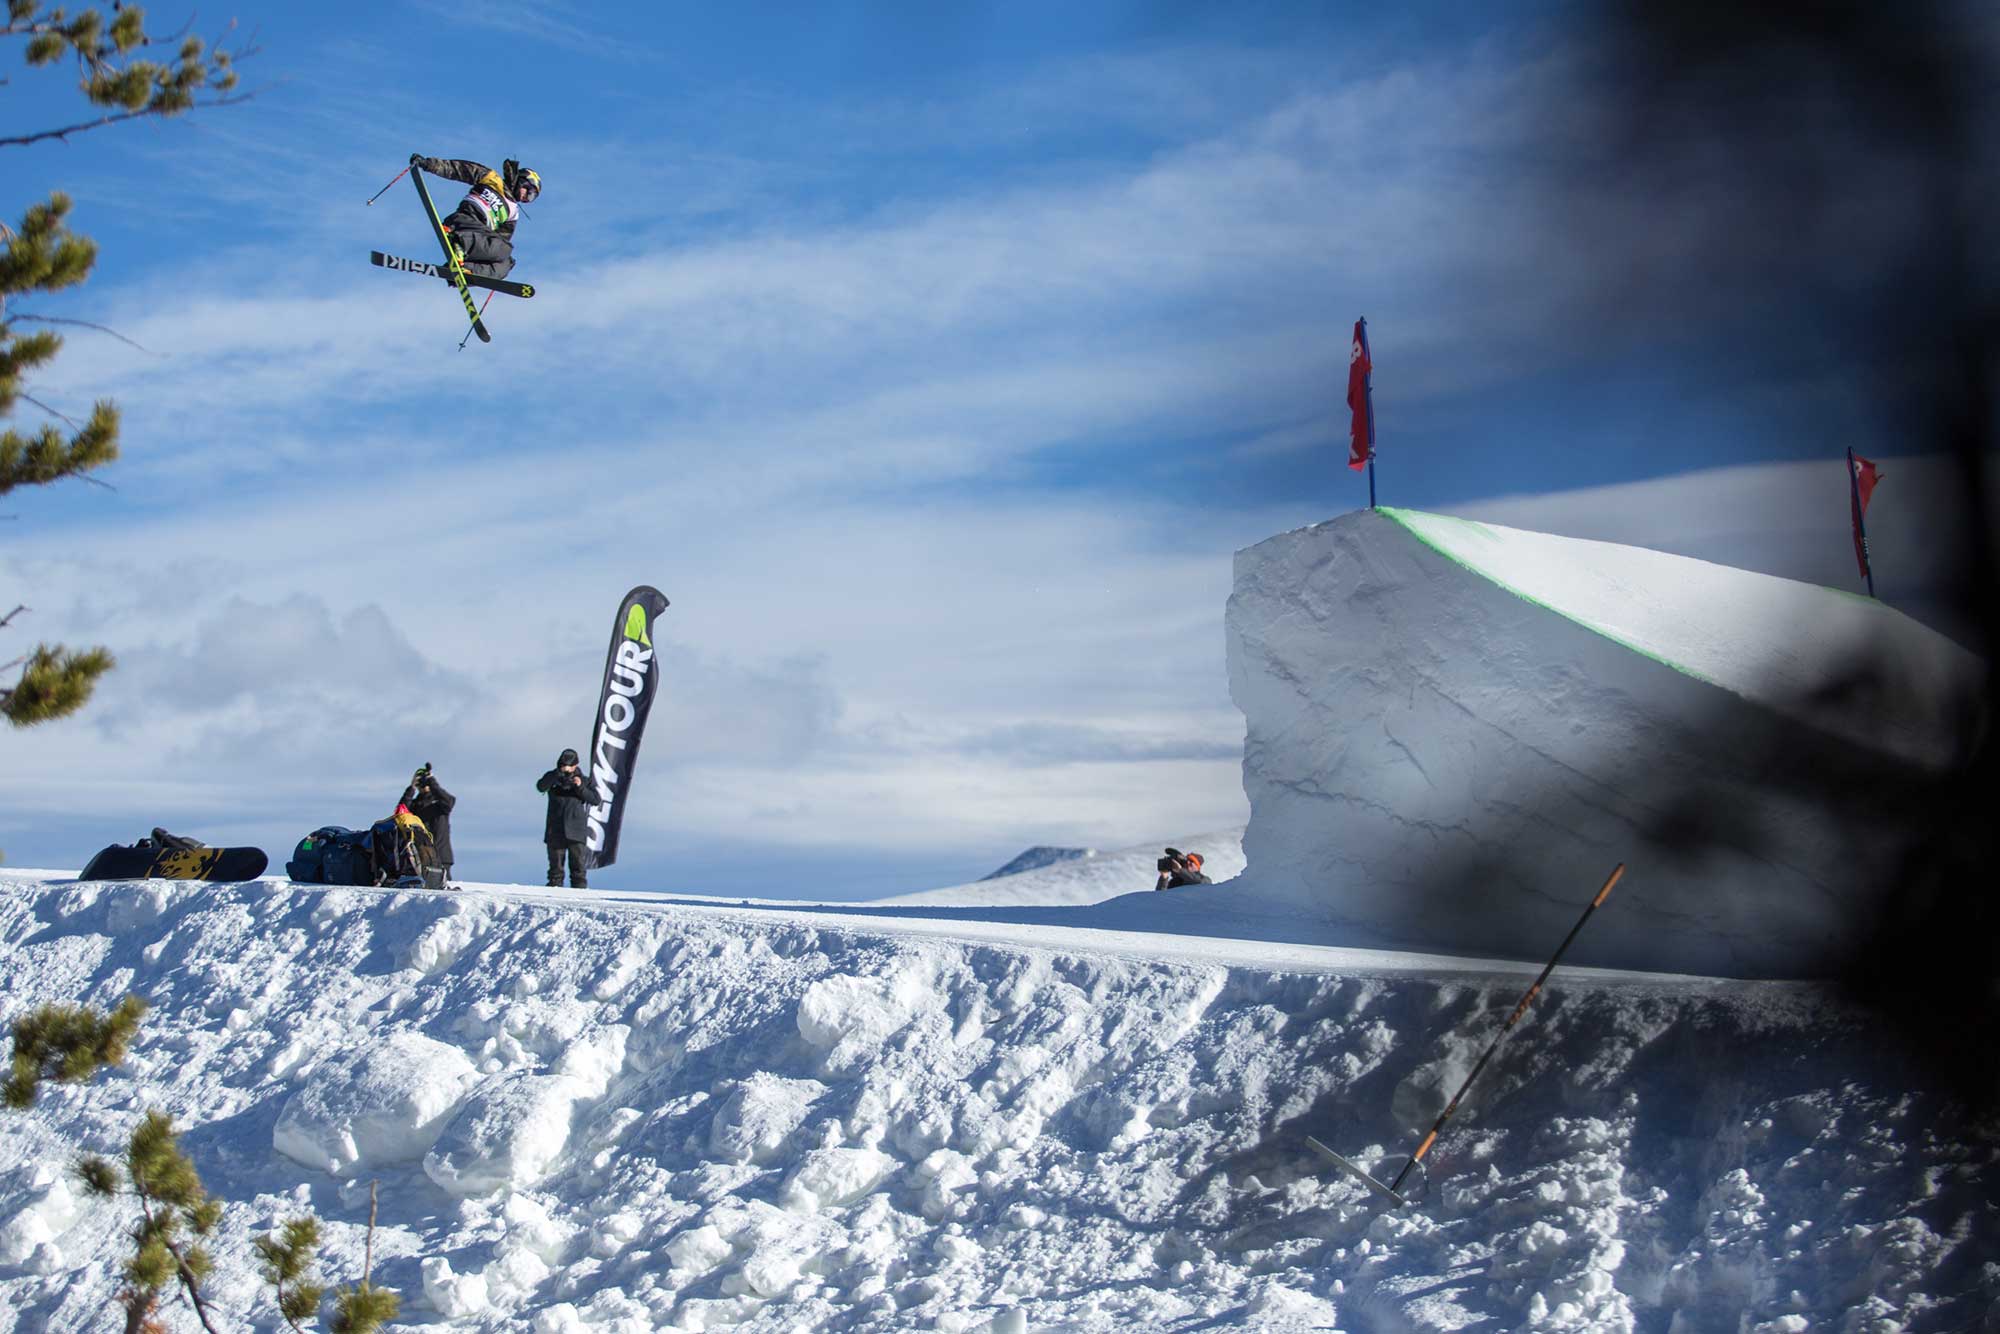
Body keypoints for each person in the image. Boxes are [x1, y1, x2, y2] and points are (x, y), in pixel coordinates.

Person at [409, 153, 541, 278]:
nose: (526, 198)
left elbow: (498, 242)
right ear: (521, 181)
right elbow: (459, 169)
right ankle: (459, 241)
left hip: (478, 236)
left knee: (506, 260)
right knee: (505, 250)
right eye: (529, 192)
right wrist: (427, 164)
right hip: (464, 220)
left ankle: (467, 271)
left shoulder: (513, 213)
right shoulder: (492, 179)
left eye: (531, 198)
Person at [536, 748, 601, 889]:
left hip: (576, 829)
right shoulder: (552, 777)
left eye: (570, 766)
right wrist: (555, 775)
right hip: (555, 828)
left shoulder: (584, 780)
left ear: (576, 765)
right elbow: (541, 787)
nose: (566, 769)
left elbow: (596, 800)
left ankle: (579, 892)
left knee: (578, 865)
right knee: (555, 867)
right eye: (563, 766)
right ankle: (554, 890)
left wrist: (580, 787)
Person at [401, 763, 456, 882]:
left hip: (441, 855)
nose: (424, 786)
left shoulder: (440, 804)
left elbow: (449, 801)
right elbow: (401, 814)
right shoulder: (415, 805)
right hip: (421, 855)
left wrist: (431, 781)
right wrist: (411, 788)